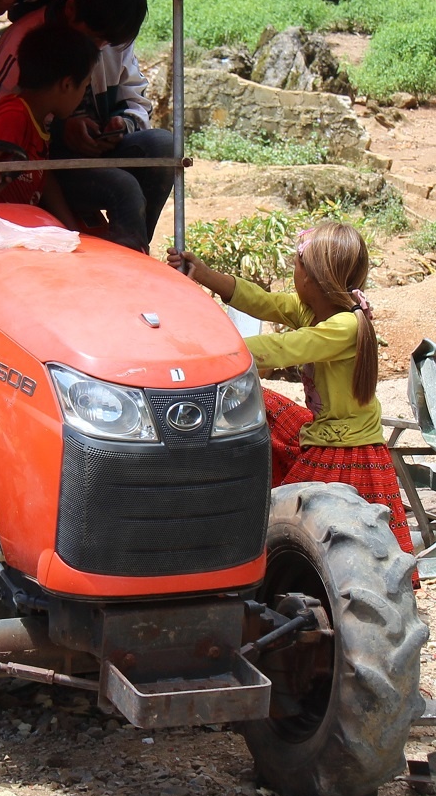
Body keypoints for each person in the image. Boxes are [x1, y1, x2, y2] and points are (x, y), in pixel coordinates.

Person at [169, 223, 415, 569]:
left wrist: (207, 351)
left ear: (313, 279)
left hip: (345, 447)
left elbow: (282, 348)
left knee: (313, 537)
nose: (293, 273)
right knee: (263, 402)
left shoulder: (343, 327)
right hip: (326, 430)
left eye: (297, 266)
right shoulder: (315, 311)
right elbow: (263, 301)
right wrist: (204, 275)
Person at [0, 0, 171, 250]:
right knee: (123, 187)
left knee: (163, 147)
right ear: (71, 10)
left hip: (91, 155)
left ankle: (135, 248)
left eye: (108, 43)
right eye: (95, 38)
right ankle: (126, 262)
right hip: (49, 160)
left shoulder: (111, 35)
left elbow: (136, 97)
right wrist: (61, 130)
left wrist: (122, 125)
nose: (99, 49)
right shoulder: (25, 42)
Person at [0, 22, 94, 228]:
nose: (83, 94)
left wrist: (70, 229)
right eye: (85, 86)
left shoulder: (37, 120)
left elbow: (44, 176)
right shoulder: (14, 116)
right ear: (67, 84)